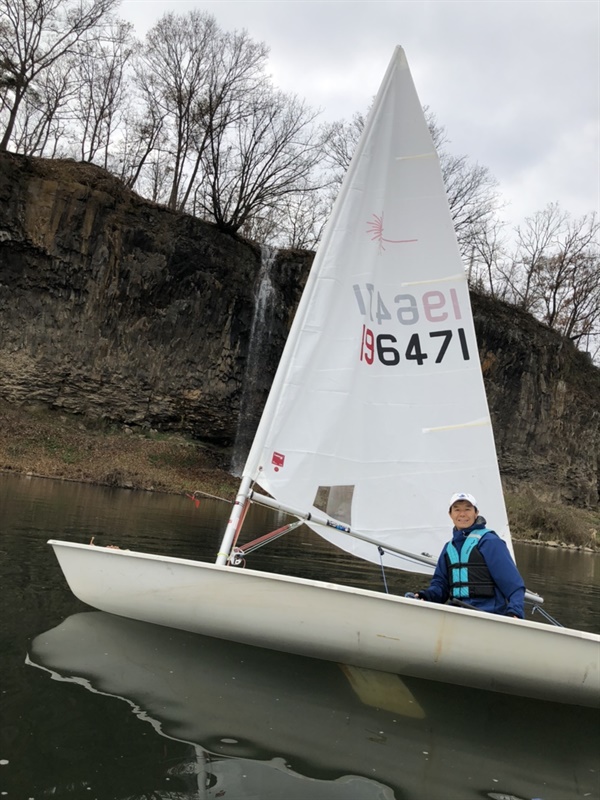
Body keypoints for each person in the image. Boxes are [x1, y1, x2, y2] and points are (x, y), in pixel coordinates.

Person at [409, 492, 525, 618]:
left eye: (467, 509)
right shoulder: (449, 548)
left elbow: (513, 584)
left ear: (476, 513)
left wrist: (515, 611)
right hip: (456, 613)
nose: (462, 514)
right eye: (457, 509)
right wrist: (425, 596)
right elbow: (440, 585)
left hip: (488, 615)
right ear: (450, 514)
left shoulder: (490, 542)